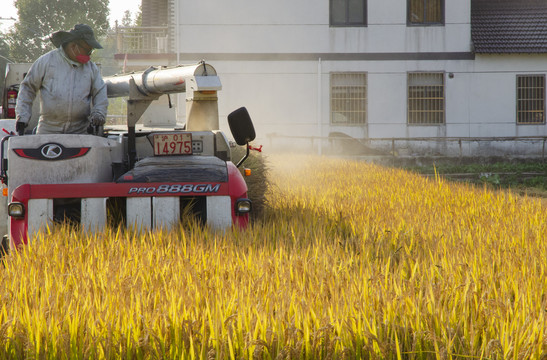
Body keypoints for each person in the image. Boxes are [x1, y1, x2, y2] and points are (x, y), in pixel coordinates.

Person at [15, 24, 108, 135]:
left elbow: (100, 92)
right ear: (74, 46)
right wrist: (22, 117)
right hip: (48, 129)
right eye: (88, 51)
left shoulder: (91, 68)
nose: (89, 55)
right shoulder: (46, 62)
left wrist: (98, 113)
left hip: (79, 131)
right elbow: (27, 88)